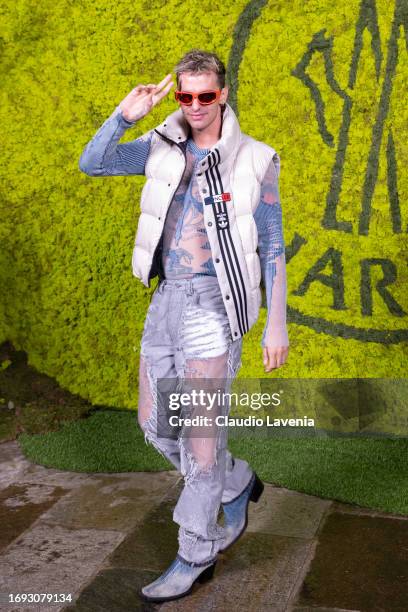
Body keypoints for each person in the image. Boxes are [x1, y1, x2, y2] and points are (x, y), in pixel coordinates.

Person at [79, 49, 289, 603]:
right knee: (155, 425)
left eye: (205, 95)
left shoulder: (256, 159)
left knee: (199, 441)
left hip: (215, 309)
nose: (195, 106)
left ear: (223, 95)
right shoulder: (160, 147)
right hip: (167, 297)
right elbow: (93, 163)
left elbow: (273, 245)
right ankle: (237, 479)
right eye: (185, 96)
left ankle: (197, 550)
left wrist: (276, 325)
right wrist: (126, 115)